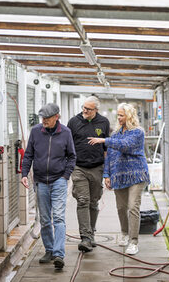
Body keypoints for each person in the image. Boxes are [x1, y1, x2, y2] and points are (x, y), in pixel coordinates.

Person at [88, 103, 150, 255]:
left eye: (122, 115)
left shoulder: (138, 132)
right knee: (121, 208)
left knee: (133, 207)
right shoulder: (115, 134)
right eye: (118, 115)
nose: (119, 118)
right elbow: (110, 156)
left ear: (129, 116)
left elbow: (126, 145)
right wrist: (107, 175)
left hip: (136, 174)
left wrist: (104, 141)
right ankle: (124, 233)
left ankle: (134, 241)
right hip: (119, 175)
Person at [21, 103, 76, 270]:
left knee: (58, 217)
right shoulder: (36, 131)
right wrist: (24, 174)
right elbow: (29, 154)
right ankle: (50, 250)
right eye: (42, 118)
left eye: (47, 118)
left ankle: (59, 253)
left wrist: (65, 176)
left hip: (58, 180)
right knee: (45, 219)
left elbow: (72, 157)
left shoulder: (66, 133)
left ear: (56, 117)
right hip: (40, 181)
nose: (44, 120)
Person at [67, 96, 110, 252]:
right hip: (79, 168)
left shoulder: (104, 122)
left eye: (88, 109)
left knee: (93, 202)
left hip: (97, 167)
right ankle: (85, 237)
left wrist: (107, 172)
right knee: (83, 200)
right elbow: (68, 144)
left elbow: (106, 149)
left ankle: (91, 233)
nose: (84, 111)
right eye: (83, 107)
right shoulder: (73, 122)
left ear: (96, 110)